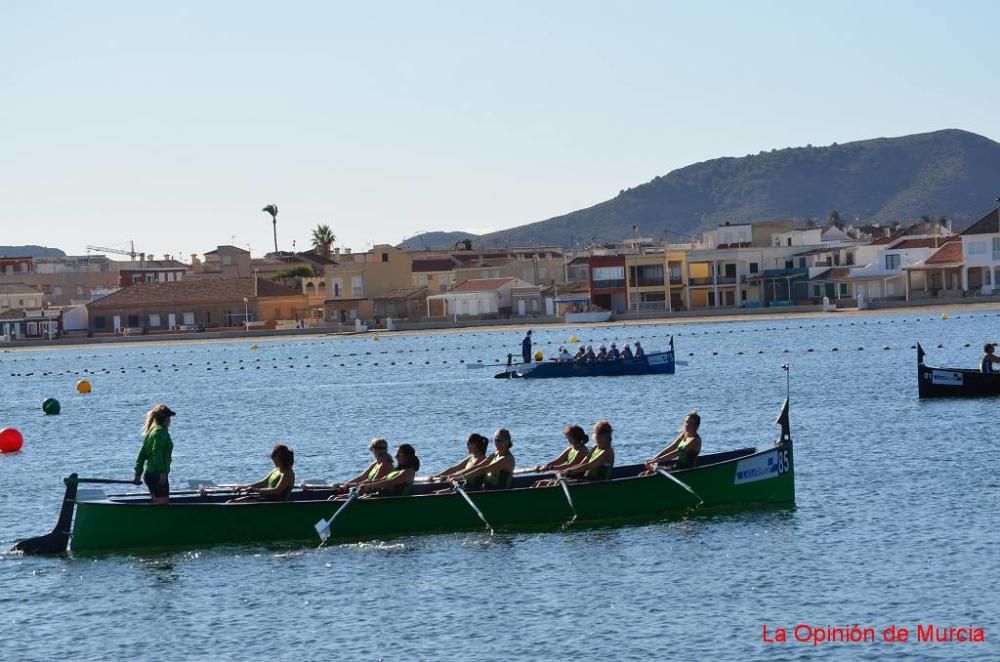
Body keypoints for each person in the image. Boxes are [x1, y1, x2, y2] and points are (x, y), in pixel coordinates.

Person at [133, 404, 177, 505]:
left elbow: (141, 454)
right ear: (165, 418)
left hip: (149, 475)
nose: (170, 420)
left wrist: (138, 474)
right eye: (169, 417)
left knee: (157, 504)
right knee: (163, 505)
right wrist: (162, 473)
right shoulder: (161, 432)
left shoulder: (151, 432)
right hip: (158, 475)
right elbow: (157, 453)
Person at [322, 438, 394, 497]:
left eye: (383, 448)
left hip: (375, 495)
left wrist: (348, 487)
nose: (381, 450)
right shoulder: (376, 463)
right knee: (334, 494)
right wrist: (345, 484)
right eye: (379, 448)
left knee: (333, 498)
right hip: (366, 491)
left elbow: (371, 486)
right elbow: (362, 477)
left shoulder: (385, 465)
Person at [230, 444, 296, 502]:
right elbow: (263, 483)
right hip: (264, 499)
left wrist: (256, 490)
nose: (273, 460)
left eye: (274, 458)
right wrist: (242, 487)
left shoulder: (287, 473)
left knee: (233, 503)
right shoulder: (276, 470)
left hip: (275, 503)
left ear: (281, 459)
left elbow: (277, 491)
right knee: (231, 502)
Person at [356, 444, 421, 497]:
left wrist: (369, 485)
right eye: (396, 454)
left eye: (399, 455)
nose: (395, 456)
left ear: (407, 456)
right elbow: (382, 480)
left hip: (393, 500)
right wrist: (365, 483)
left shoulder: (409, 471)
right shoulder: (397, 470)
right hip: (382, 496)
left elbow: (389, 483)